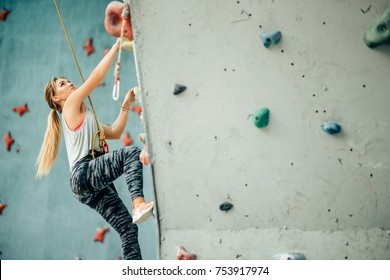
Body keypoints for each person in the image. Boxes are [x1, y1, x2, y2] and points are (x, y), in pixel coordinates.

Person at [35, 39, 153, 260]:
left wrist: (126, 105)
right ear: (56, 98)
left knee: (128, 229)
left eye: (68, 81)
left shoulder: (87, 119)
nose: (69, 84)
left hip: (84, 185)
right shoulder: (68, 107)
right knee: (130, 153)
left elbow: (116, 132)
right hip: (84, 173)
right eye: (63, 84)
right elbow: (96, 77)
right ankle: (138, 203)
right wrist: (116, 46)